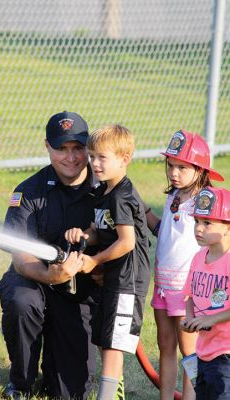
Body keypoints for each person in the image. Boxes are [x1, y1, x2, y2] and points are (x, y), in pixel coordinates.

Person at [0, 111, 102, 400]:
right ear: (47, 147)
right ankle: (21, 382)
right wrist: (50, 275)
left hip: (79, 291)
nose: (71, 157)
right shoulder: (28, 192)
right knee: (22, 302)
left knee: (70, 391)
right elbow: (21, 258)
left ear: (88, 147)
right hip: (33, 279)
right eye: (61, 149)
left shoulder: (105, 189)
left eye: (78, 148)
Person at [65, 124, 151, 400]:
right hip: (114, 278)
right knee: (104, 337)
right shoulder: (105, 191)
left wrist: (94, 260)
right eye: (92, 156)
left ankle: (107, 395)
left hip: (127, 280)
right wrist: (85, 236)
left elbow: (126, 242)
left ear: (124, 159)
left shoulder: (122, 196)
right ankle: (114, 391)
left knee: (114, 344)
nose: (95, 163)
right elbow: (98, 227)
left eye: (103, 157)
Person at [151, 130, 224, 400]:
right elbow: (165, 233)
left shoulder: (203, 203)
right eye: (170, 165)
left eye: (182, 167)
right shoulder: (173, 197)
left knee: (190, 353)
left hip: (187, 290)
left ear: (200, 169)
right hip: (163, 286)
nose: (174, 172)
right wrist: (143, 212)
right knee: (166, 346)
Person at [181, 186, 230, 400]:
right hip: (203, 351)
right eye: (196, 222)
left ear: (227, 227)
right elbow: (190, 295)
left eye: (207, 223)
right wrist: (190, 318)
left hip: (226, 354)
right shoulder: (198, 258)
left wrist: (209, 319)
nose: (198, 229)